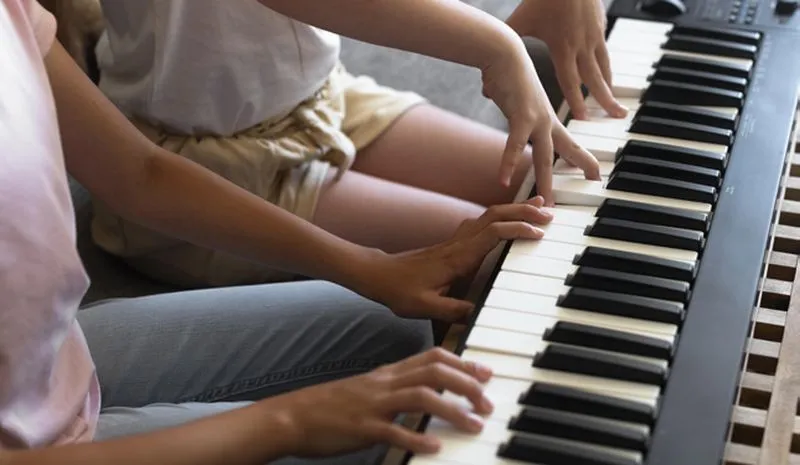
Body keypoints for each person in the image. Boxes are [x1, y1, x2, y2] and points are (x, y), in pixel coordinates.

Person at [0, 0, 555, 463]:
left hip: (51, 362)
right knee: (405, 436)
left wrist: (371, 267)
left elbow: (136, 171)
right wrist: (287, 421)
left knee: (399, 328)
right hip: (31, 440)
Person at [87, 0, 626, 288]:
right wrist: (495, 46)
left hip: (320, 100)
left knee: (571, 203)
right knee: (514, 260)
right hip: (204, 165)